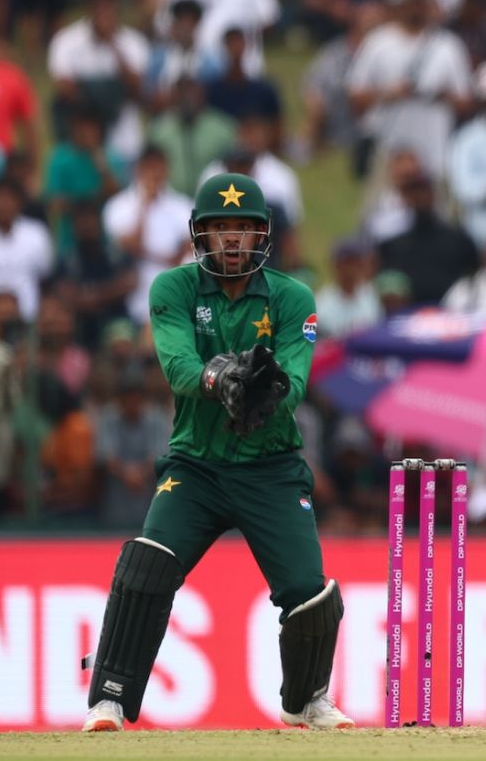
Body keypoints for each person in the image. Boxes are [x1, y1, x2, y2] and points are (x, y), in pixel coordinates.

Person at [82, 172, 352, 732]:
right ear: (199, 237)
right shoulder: (172, 289)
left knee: (308, 591)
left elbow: (296, 382)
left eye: (244, 229)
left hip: (272, 466)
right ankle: (108, 698)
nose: (232, 240)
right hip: (197, 466)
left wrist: (264, 391)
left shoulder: (292, 295)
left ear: (262, 236)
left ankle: (307, 700)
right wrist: (220, 378)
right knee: (147, 562)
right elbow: (178, 367)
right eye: (220, 228)